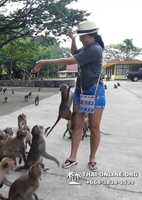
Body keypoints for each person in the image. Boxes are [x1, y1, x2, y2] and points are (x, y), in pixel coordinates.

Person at [34, 21, 106, 172]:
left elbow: (71, 60)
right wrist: (73, 38)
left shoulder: (94, 49)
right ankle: (73, 157)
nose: (82, 40)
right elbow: (75, 53)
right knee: (77, 125)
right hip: (80, 90)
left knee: (94, 127)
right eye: (80, 37)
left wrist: (45, 61)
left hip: (94, 91)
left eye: (83, 37)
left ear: (93, 36)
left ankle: (92, 158)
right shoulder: (86, 48)